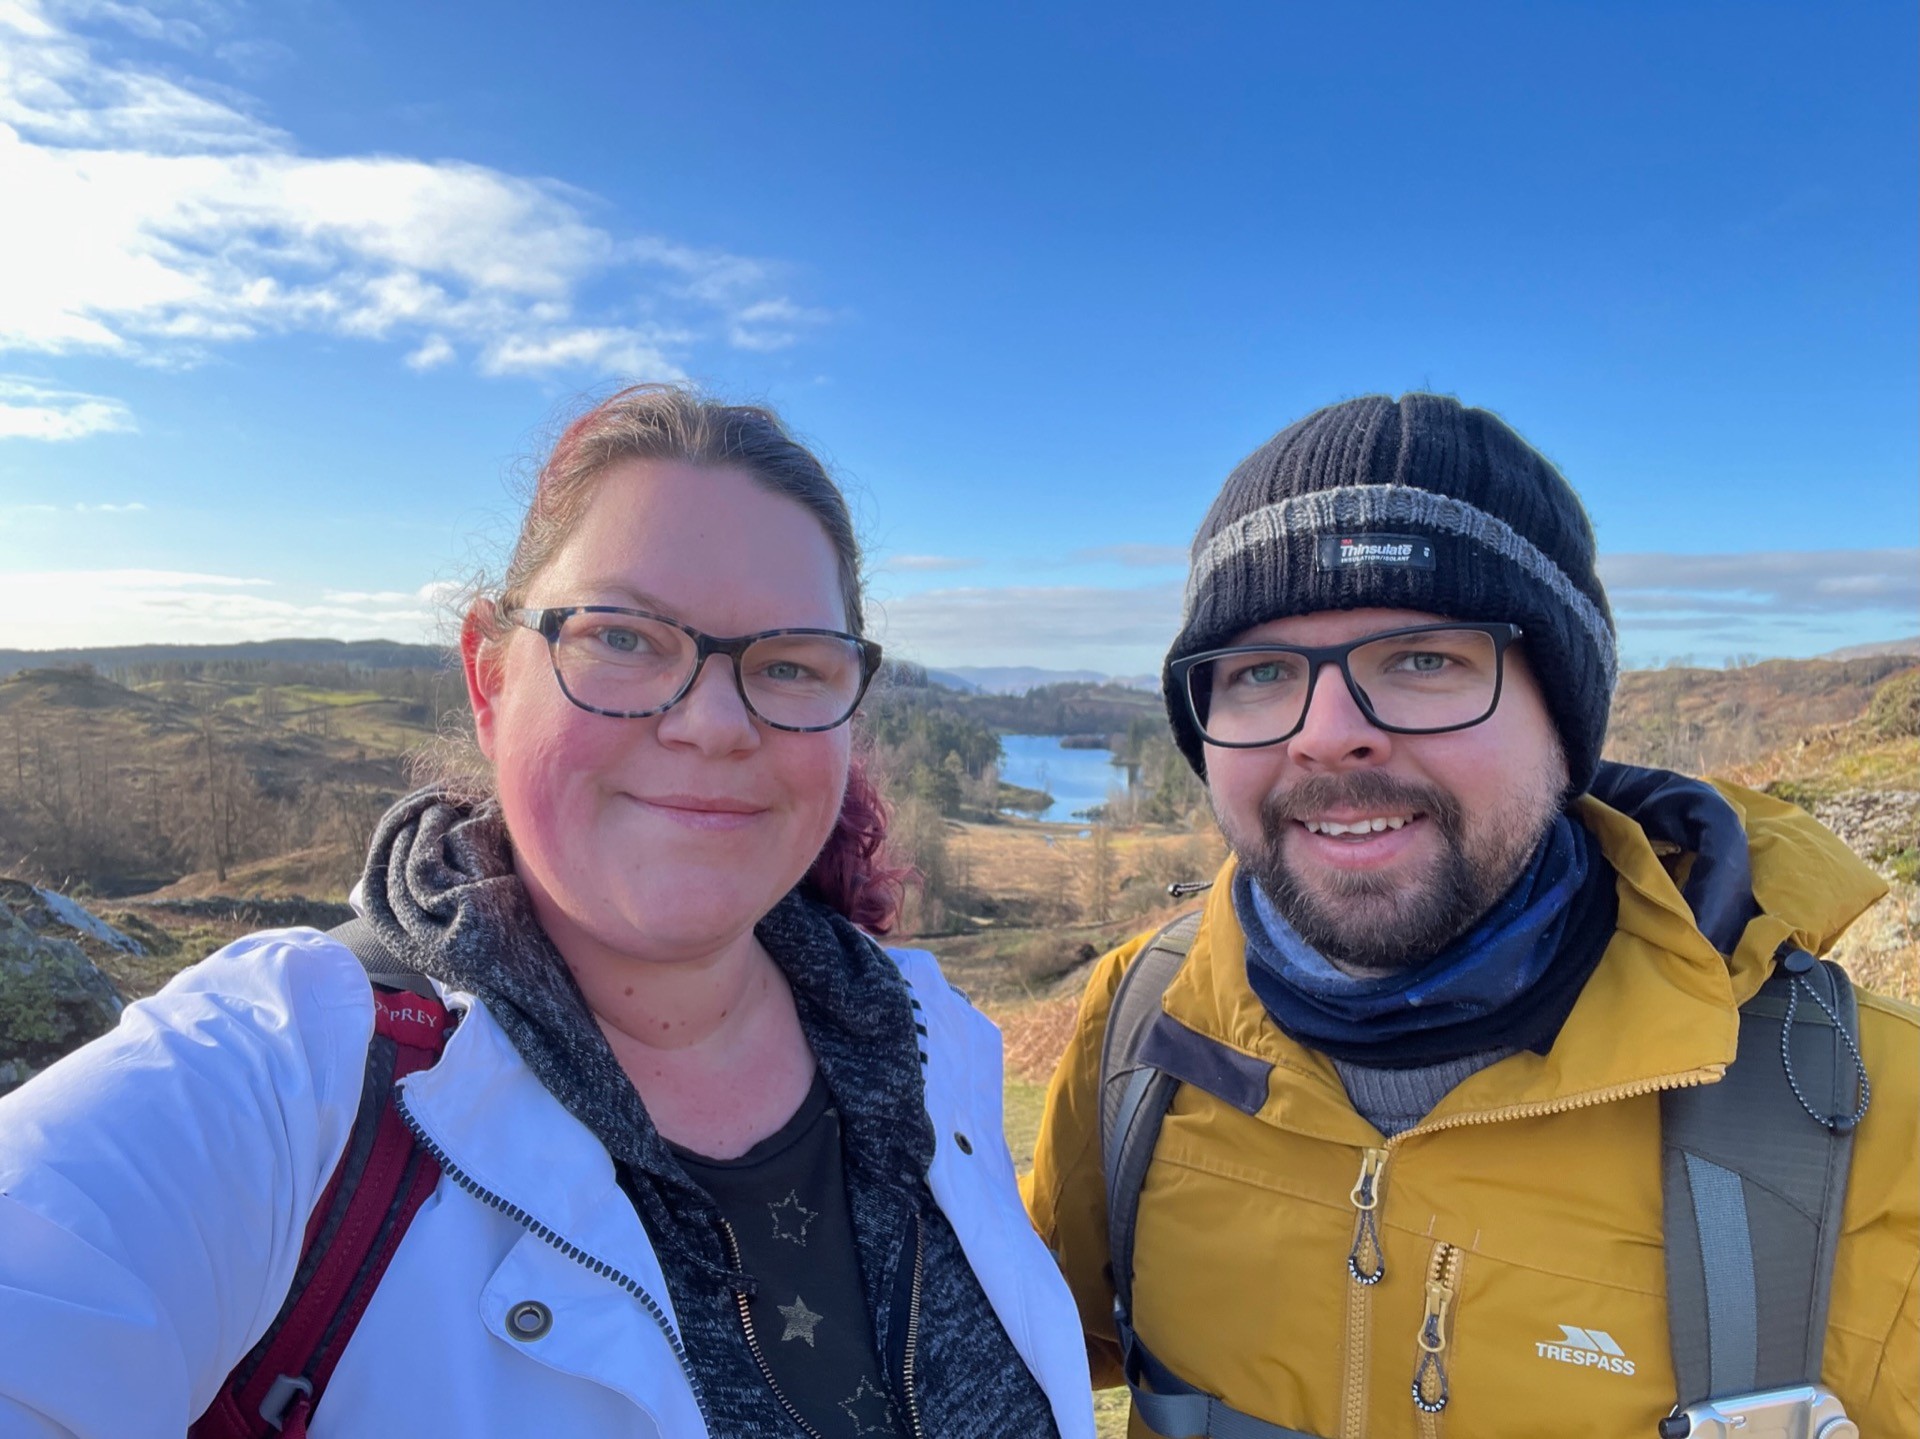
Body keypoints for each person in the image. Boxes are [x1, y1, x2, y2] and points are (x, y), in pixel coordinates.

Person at [0, 385, 1093, 1439]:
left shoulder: (924, 1033)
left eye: (792, 662)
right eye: (622, 637)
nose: (714, 723)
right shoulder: (281, 1083)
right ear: (488, 677)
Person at [1025, 393, 1917, 1438]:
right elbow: (999, 1357)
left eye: (1425, 657)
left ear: (1565, 723)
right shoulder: (1142, 1025)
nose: (1327, 734)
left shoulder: (1870, 1121)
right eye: (1262, 671)